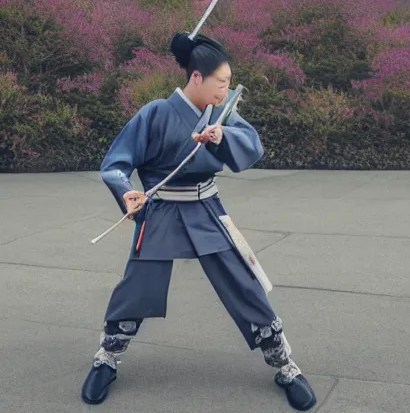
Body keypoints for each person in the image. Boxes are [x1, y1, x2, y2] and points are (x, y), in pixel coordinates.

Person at [80, 32, 316, 411]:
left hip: (206, 208)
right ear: (196, 78)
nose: (226, 91)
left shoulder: (221, 114)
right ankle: (106, 358)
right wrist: (127, 192)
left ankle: (284, 364)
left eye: (227, 84)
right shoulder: (155, 112)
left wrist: (222, 134)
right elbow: (117, 164)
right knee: (138, 285)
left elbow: (250, 143)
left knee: (242, 281)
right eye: (220, 83)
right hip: (160, 211)